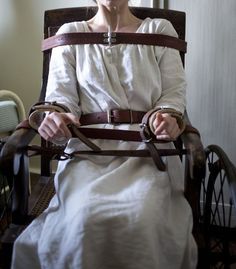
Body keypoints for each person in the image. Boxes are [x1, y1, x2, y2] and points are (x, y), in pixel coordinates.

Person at [11, 0, 197, 268]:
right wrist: (56, 118)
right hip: (88, 152)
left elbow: (173, 94)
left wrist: (167, 117)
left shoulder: (159, 30)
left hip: (146, 152)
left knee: (142, 217)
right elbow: (60, 99)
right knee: (85, 218)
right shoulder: (71, 32)